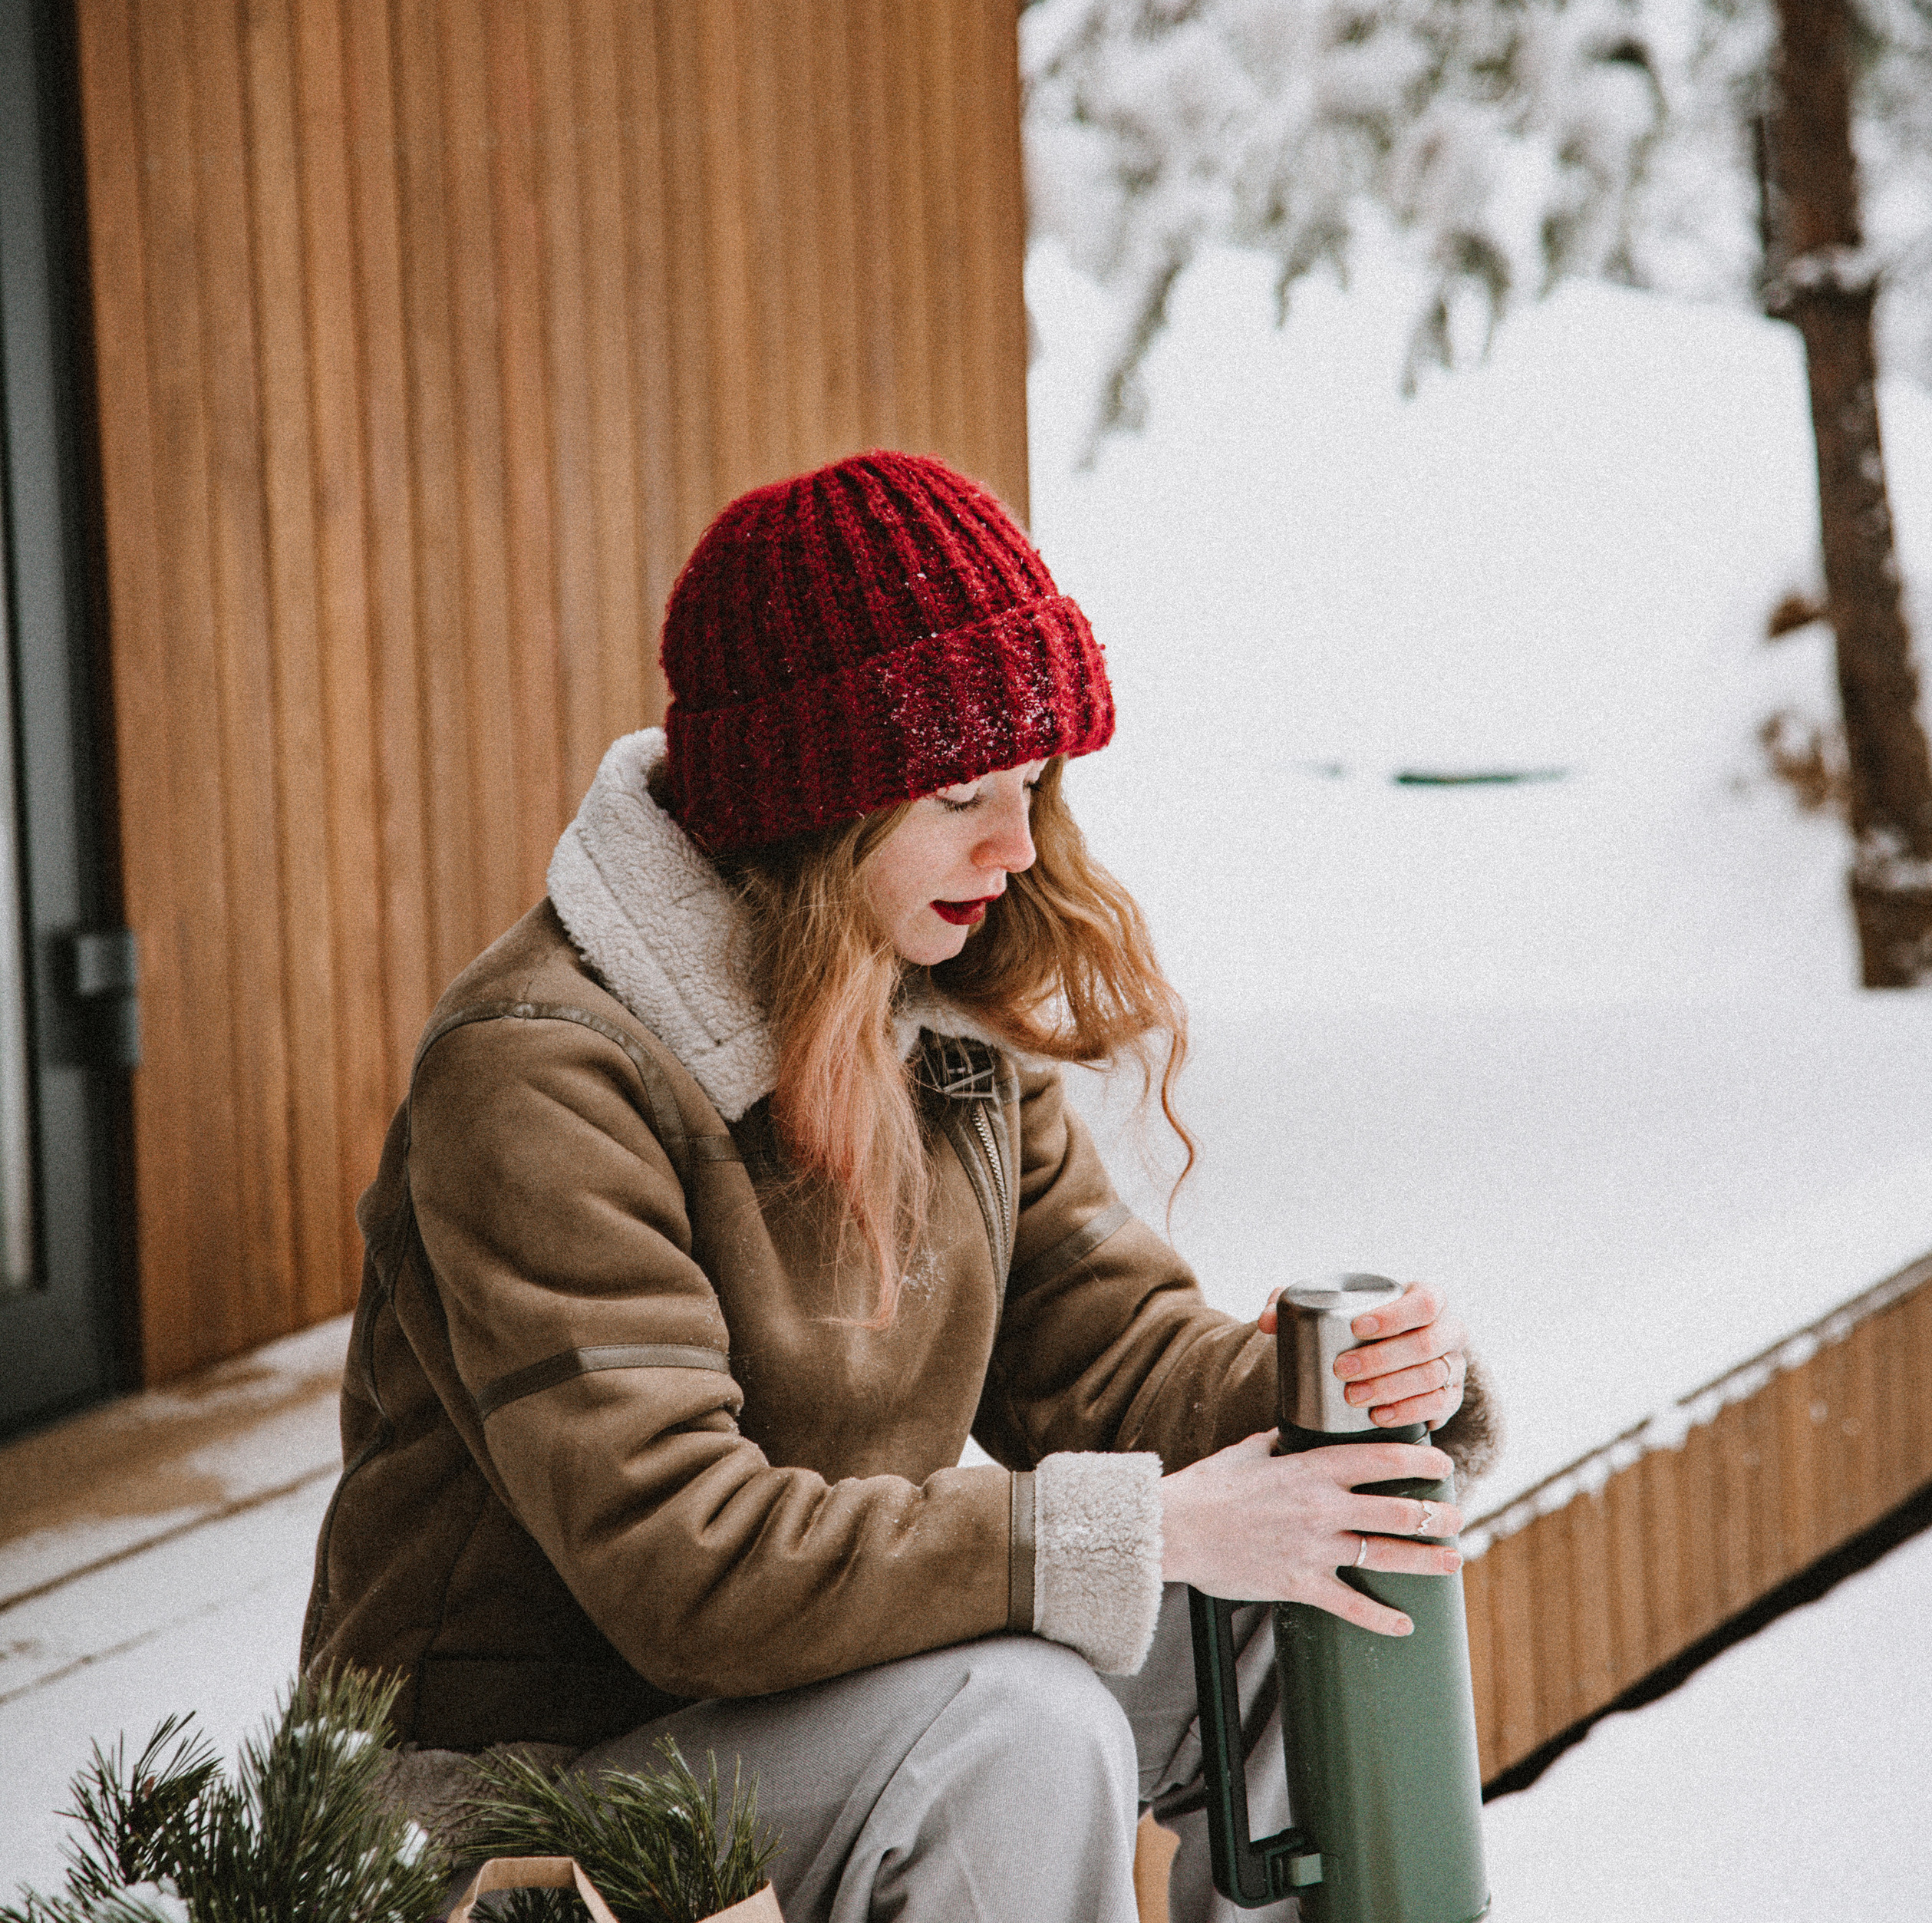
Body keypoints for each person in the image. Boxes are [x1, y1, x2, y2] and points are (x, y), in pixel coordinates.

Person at [302, 450, 1495, 1922]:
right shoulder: (540, 1072)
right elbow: (688, 1562)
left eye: (1034, 787)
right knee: (1018, 1723)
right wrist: (1154, 1528)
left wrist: (1342, 1396)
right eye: (961, 793)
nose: (1018, 846)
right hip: (512, 1798)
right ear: (816, 806)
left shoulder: (930, 1020)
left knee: (1308, 1590)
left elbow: (1108, 1355)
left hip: (811, 1700)